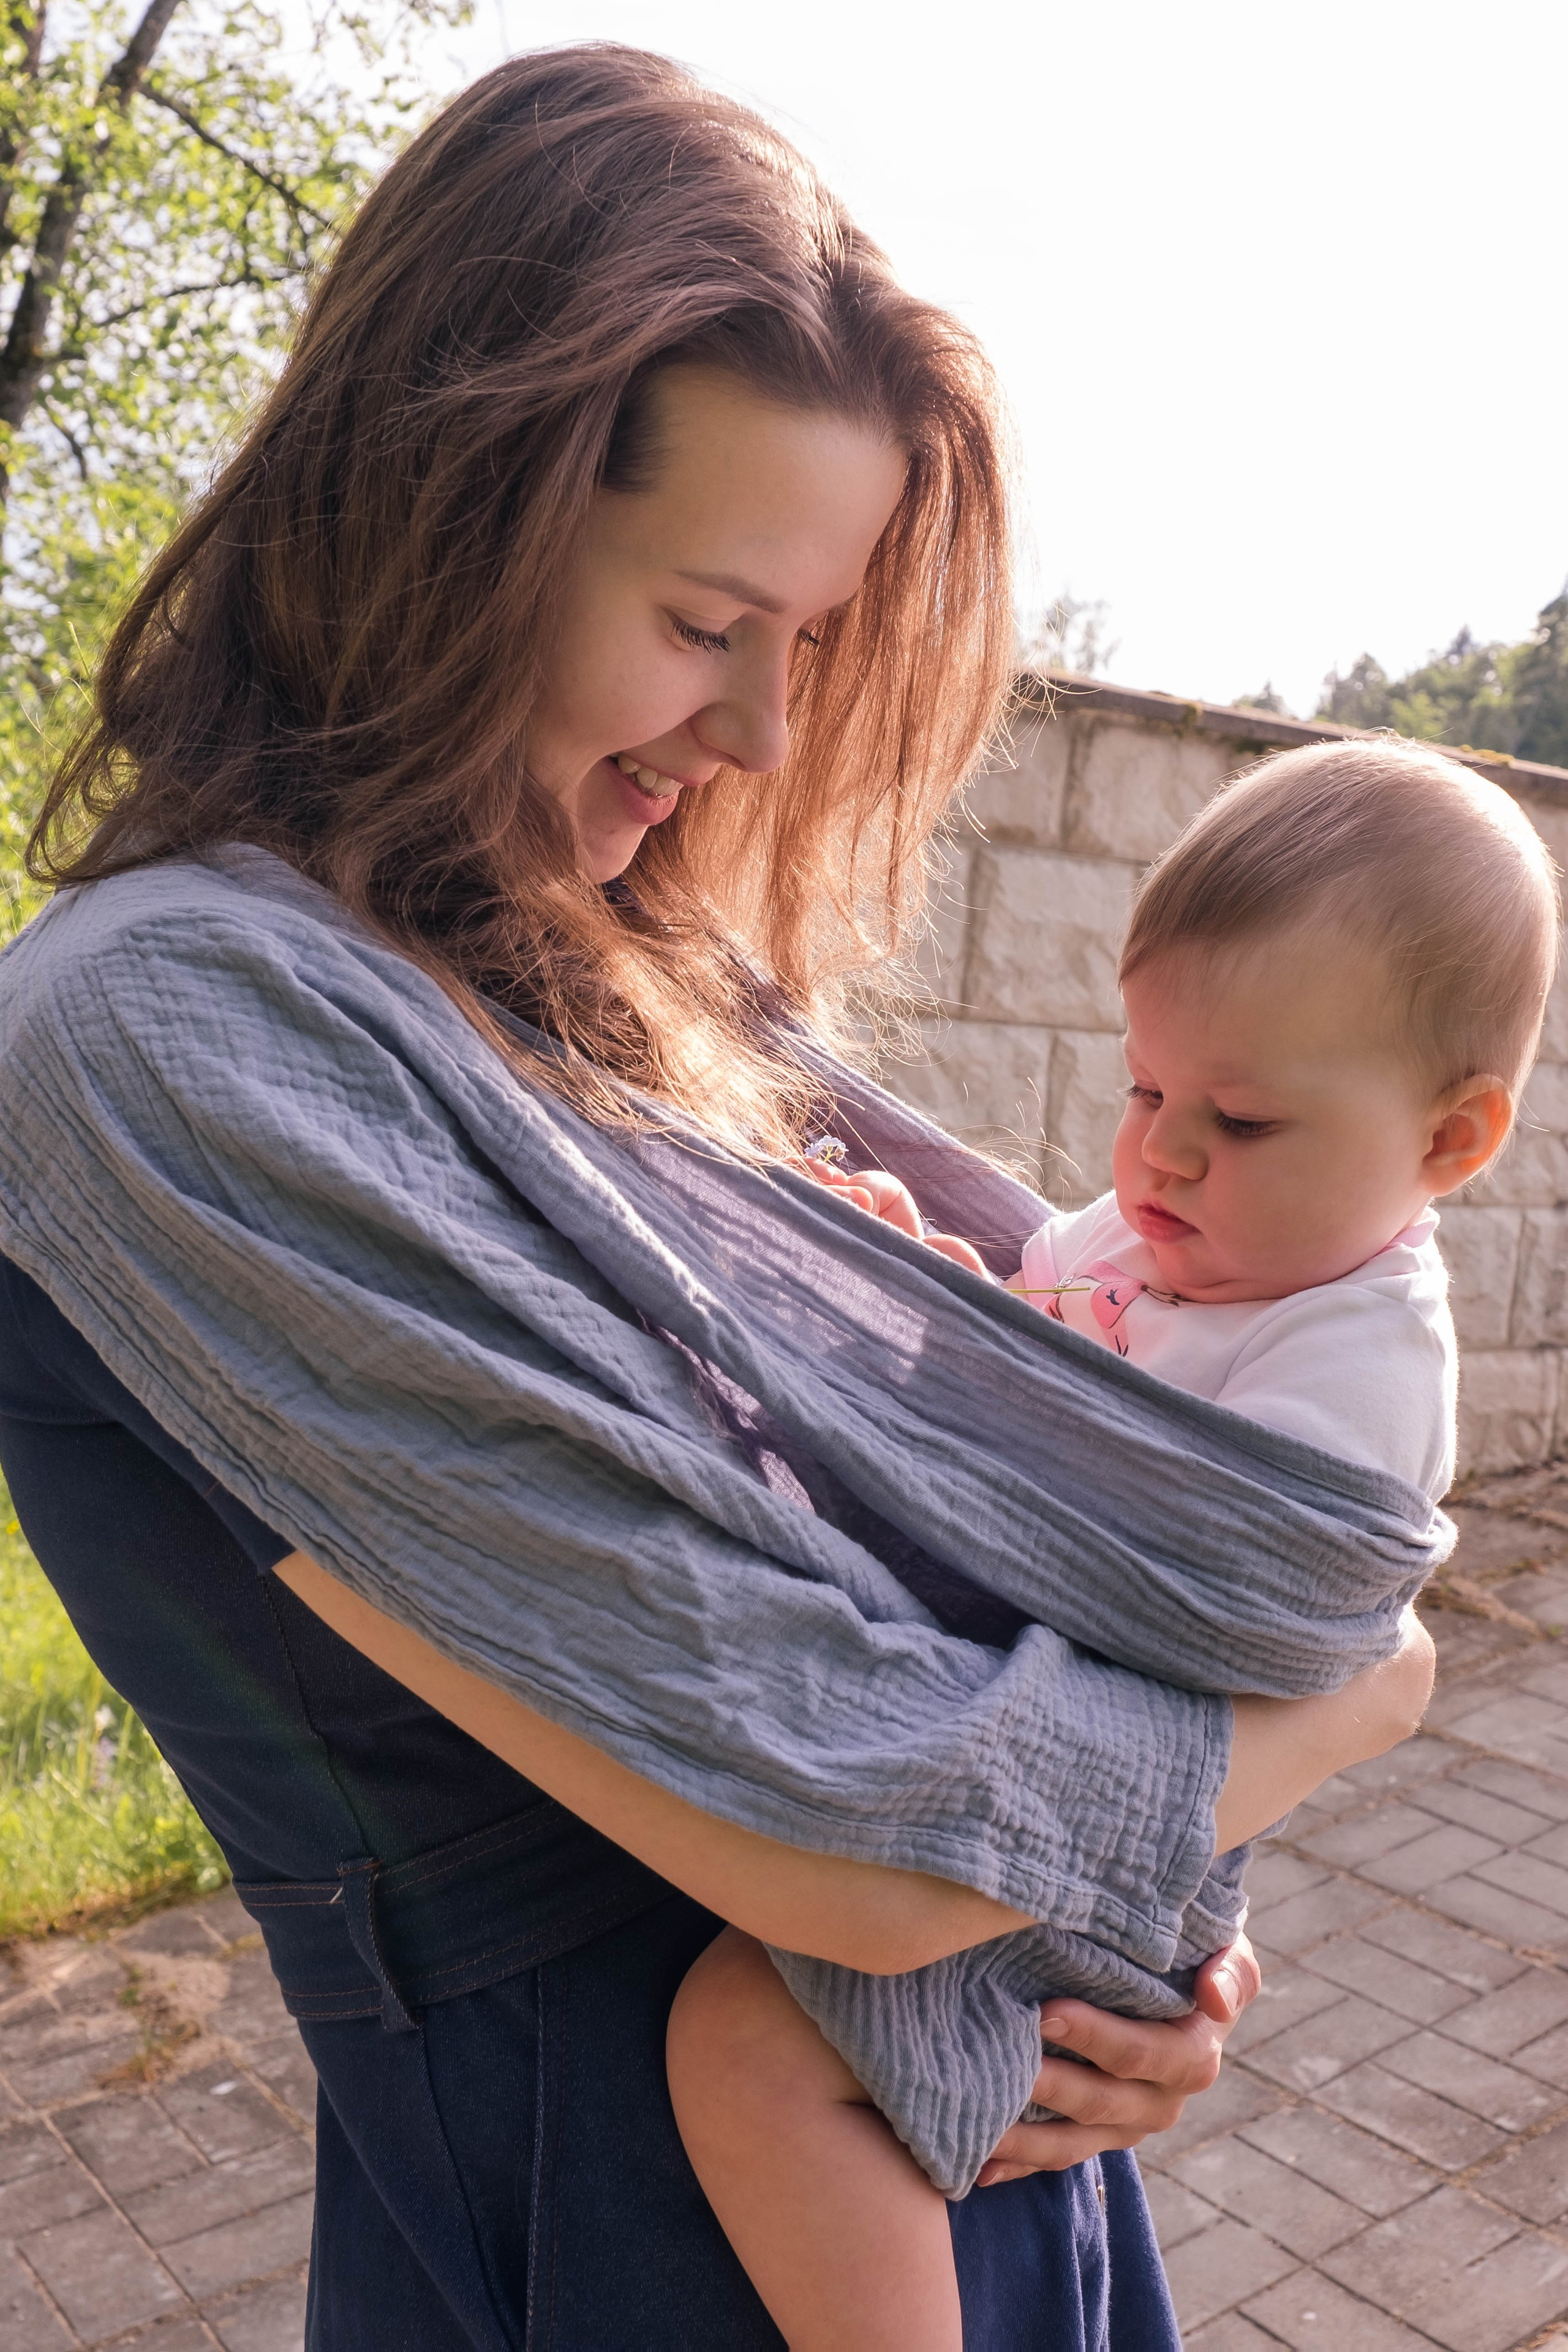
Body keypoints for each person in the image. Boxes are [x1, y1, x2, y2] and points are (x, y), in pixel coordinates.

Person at [0, 48, 1435, 2351]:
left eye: (811, 644)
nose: (768, 737)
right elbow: (867, 1831)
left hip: (954, 2148)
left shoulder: (606, 973)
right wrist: (1371, 1693)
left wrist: (1138, 1931)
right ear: (444, 519)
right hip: (625, 2229)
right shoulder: (167, 1039)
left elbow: (1005, 1609)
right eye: (703, 623)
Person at [666, 739, 1557, 2349]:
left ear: (1451, 1142)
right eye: (1144, 1087)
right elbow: (1023, 1348)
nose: (1159, 1156)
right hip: (1056, 1749)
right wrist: (923, 1275)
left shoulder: (1354, 1362)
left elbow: (1246, 1614)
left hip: (1122, 1827)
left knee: (745, 2041)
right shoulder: (1161, 1235)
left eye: (1242, 1117)